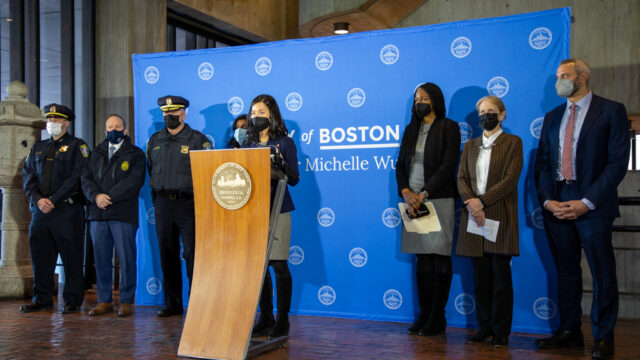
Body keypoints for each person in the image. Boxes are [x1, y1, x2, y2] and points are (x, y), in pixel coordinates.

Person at [534, 58, 629, 359]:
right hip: (558, 202)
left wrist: (586, 202)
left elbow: (616, 164)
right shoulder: (551, 118)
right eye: (557, 76)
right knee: (566, 272)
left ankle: (603, 337)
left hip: (593, 203)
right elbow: (544, 165)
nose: (559, 81)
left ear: (583, 76)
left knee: (603, 274)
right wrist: (548, 201)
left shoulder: (611, 111)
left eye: (565, 75)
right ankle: (569, 330)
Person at [456, 95, 523, 347]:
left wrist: (481, 202)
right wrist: (472, 204)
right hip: (474, 217)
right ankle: (483, 326)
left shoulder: (513, 142)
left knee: (500, 279)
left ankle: (501, 331)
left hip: (500, 216)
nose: (486, 115)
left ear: (502, 114)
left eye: (491, 111)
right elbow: (461, 178)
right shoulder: (470, 146)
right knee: (481, 280)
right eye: (482, 111)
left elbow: (510, 179)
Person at [396, 83, 460, 336]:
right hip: (412, 202)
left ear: (435, 100)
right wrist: (406, 192)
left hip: (438, 199)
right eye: (416, 98)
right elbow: (400, 165)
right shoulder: (411, 130)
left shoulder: (449, 127)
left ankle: (438, 316)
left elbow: (448, 166)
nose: (419, 101)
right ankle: (424, 314)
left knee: (439, 256)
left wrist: (424, 193)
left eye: (424, 97)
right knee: (422, 258)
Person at [146, 95, 213, 317]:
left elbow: (207, 175)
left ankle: (198, 304)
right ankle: (172, 304)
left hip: (189, 204)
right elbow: (150, 170)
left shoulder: (197, 140)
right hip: (163, 204)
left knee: (193, 255)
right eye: (166, 113)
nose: (169, 116)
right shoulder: (155, 140)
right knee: (167, 254)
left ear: (183, 113)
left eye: (174, 112)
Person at [21, 104, 90, 314]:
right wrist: (38, 200)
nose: (51, 123)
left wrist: (53, 199)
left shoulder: (78, 146)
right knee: (41, 257)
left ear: (66, 123)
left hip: (67, 211)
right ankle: (42, 298)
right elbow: (28, 177)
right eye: (49, 119)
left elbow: (77, 177)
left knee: (71, 258)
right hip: (40, 212)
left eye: (56, 120)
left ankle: (72, 300)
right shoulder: (38, 148)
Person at [244, 94, 300, 339]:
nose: (257, 116)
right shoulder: (246, 145)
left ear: (272, 115)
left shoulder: (285, 142)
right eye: (254, 112)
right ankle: (265, 316)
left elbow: (295, 179)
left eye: (262, 112)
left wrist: (279, 164)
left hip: (278, 208)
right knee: (259, 268)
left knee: (278, 264)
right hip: (252, 211)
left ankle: (283, 320)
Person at [81, 114, 146, 317]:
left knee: (127, 258)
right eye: (110, 126)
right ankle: (104, 301)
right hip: (97, 213)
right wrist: (96, 196)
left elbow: (134, 181)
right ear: (105, 130)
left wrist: (109, 197)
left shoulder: (135, 154)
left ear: (125, 131)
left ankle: (126, 301)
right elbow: (85, 179)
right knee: (101, 259)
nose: (114, 129)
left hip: (122, 213)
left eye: (118, 126)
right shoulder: (95, 154)